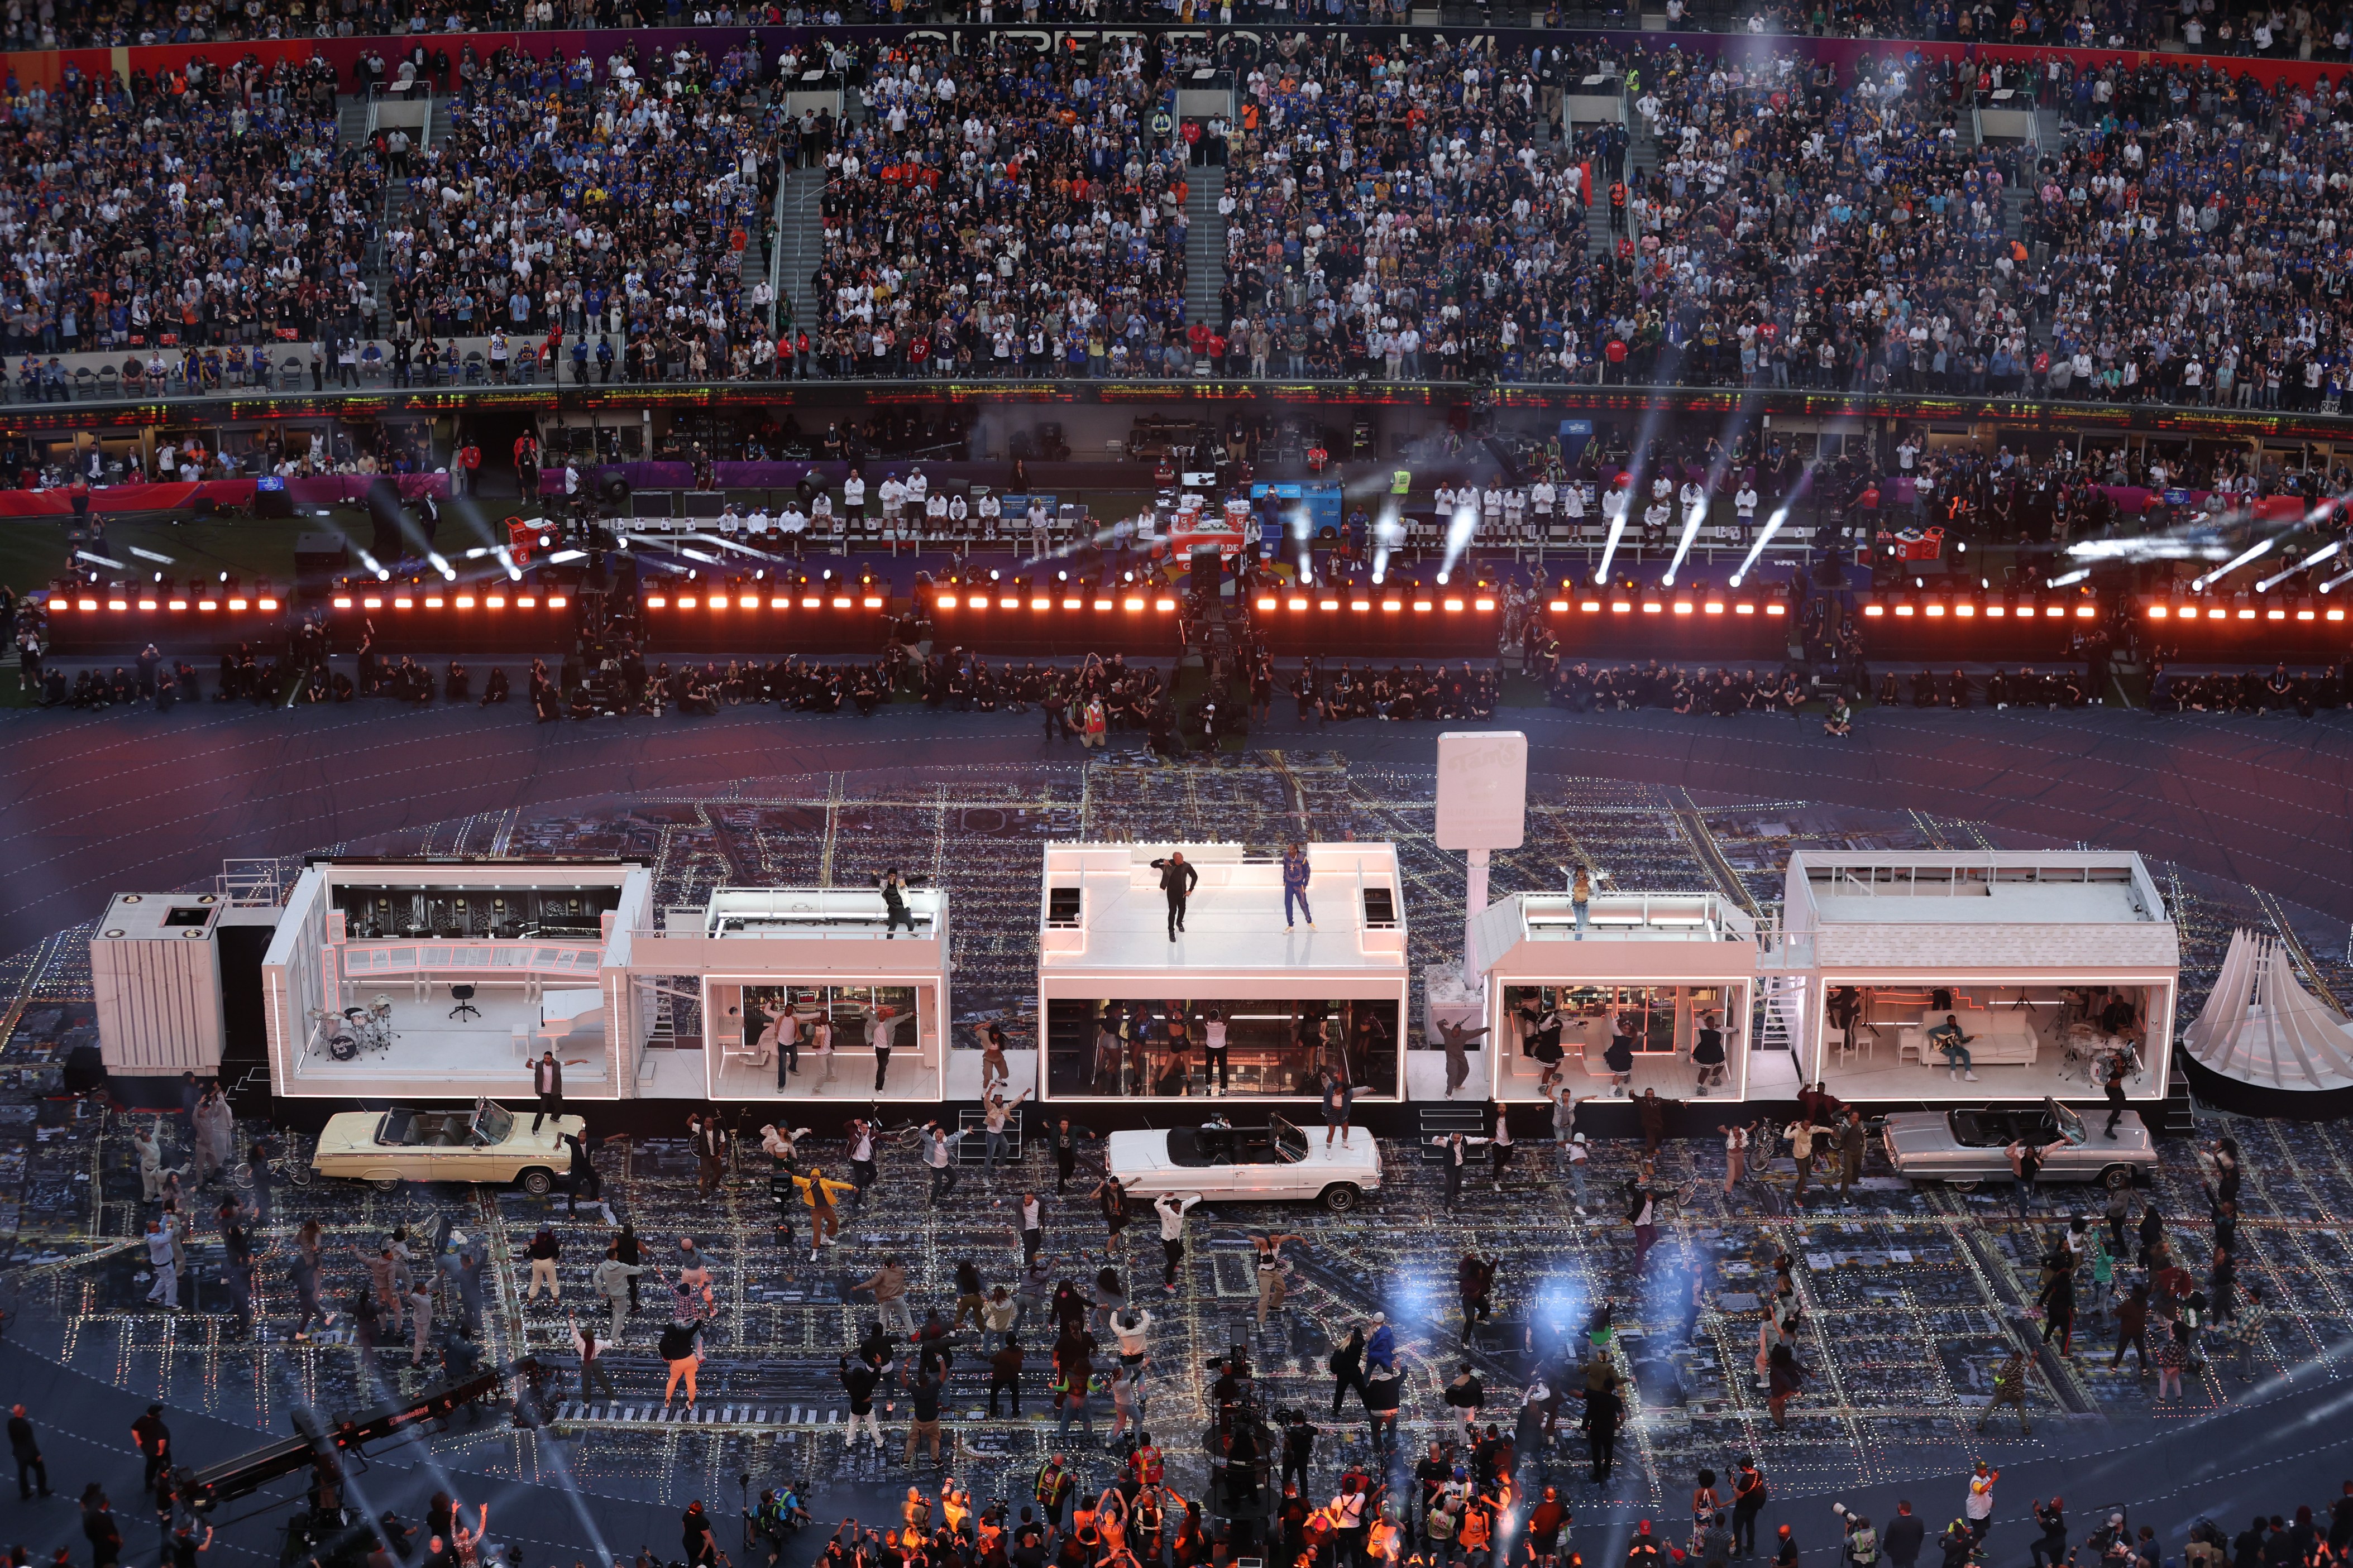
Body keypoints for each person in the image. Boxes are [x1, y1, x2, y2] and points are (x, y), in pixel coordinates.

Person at [1154, 1192, 1202, 1293]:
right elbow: (1157, 1205)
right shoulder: (1165, 1211)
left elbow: (1189, 1202)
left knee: (1180, 1252)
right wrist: (1165, 1196)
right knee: (1171, 1262)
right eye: (1176, 1207)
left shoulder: (1181, 1208)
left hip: (1176, 1237)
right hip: (1168, 1239)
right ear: (1171, 1206)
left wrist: (1200, 1197)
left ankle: (1173, 1266)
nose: (1178, 1209)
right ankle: (1168, 1284)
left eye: (1179, 1207)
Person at [1978, 1349, 2030, 1435]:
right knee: (2021, 1410)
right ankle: (2026, 1427)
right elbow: (2029, 1368)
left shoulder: (2006, 1362)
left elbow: (2000, 1372)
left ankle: (1981, 1423)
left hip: (2002, 1392)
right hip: (2014, 1394)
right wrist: (2034, 1358)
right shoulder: (2021, 1368)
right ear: (2020, 1358)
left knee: (1990, 1406)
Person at [1149, 851, 1198, 941]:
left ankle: (1179, 922)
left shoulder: (1186, 866)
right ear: (1175, 860)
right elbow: (1153, 864)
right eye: (1180, 858)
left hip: (1182, 892)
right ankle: (1171, 931)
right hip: (1171, 893)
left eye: (1182, 857)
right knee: (1173, 911)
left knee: (1182, 909)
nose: (1182, 859)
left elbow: (1195, 877)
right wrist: (1162, 861)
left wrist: (1190, 890)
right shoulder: (1168, 865)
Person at [8, 1404, 48, 1500]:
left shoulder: (11, 1423)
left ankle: (24, 1493)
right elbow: (30, 1441)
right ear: (21, 1412)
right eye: (23, 1408)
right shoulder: (26, 1425)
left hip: (18, 1453)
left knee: (22, 1473)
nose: (25, 1409)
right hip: (29, 1454)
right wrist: (37, 1454)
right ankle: (42, 1490)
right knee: (40, 1469)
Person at [1925, 1015, 1978, 1082]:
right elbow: (1930, 1031)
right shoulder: (1944, 1027)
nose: (1953, 1022)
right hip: (1943, 1046)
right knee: (1953, 1052)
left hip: (1952, 1045)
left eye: (1954, 1020)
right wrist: (1940, 1040)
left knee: (1966, 1053)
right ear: (1948, 1022)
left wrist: (1968, 1039)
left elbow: (1962, 1041)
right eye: (1951, 1021)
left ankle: (1968, 1074)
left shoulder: (1958, 1029)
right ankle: (1953, 1073)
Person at [1963, 1462, 1998, 1546]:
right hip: (1976, 1512)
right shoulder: (1975, 1482)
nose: (1985, 1471)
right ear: (1977, 1471)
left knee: (1985, 1528)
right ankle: (1971, 1550)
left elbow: (1988, 1490)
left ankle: (1977, 1546)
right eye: (1982, 1470)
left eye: (1985, 1469)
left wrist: (1990, 1501)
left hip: (1984, 1510)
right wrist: (1993, 1479)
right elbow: (1981, 1491)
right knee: (1980, 1534)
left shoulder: (1986, 1478)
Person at [1283, 842, 1314, 930]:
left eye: (1291, 851)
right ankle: (1290, 925)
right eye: (1288, 850)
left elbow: (1308, 871)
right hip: (1289, 884)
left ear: (1296, 850)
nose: (1289, 852)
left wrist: (1305, 884)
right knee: (1288, 904)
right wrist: (1285, 881)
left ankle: (1309, 921)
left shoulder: (1302, 858)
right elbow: (1285, 869)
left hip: (1299, 885)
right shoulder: (1286, 857)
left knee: (1303, 904)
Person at [532, 1049, 565, 1129]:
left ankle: (554, 1118)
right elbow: (528, 1066)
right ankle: (535, 1129)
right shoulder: (539, 1066)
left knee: (561, 1107)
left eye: (548, 1059)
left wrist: (580, 1060)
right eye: (545, 1058)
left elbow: (568, 1063)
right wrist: (529, 1061)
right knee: (542, 1111)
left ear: (551, 1058)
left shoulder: (557, 1065)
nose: (546, 1060)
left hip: (555, 1092)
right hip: (545, 1093)